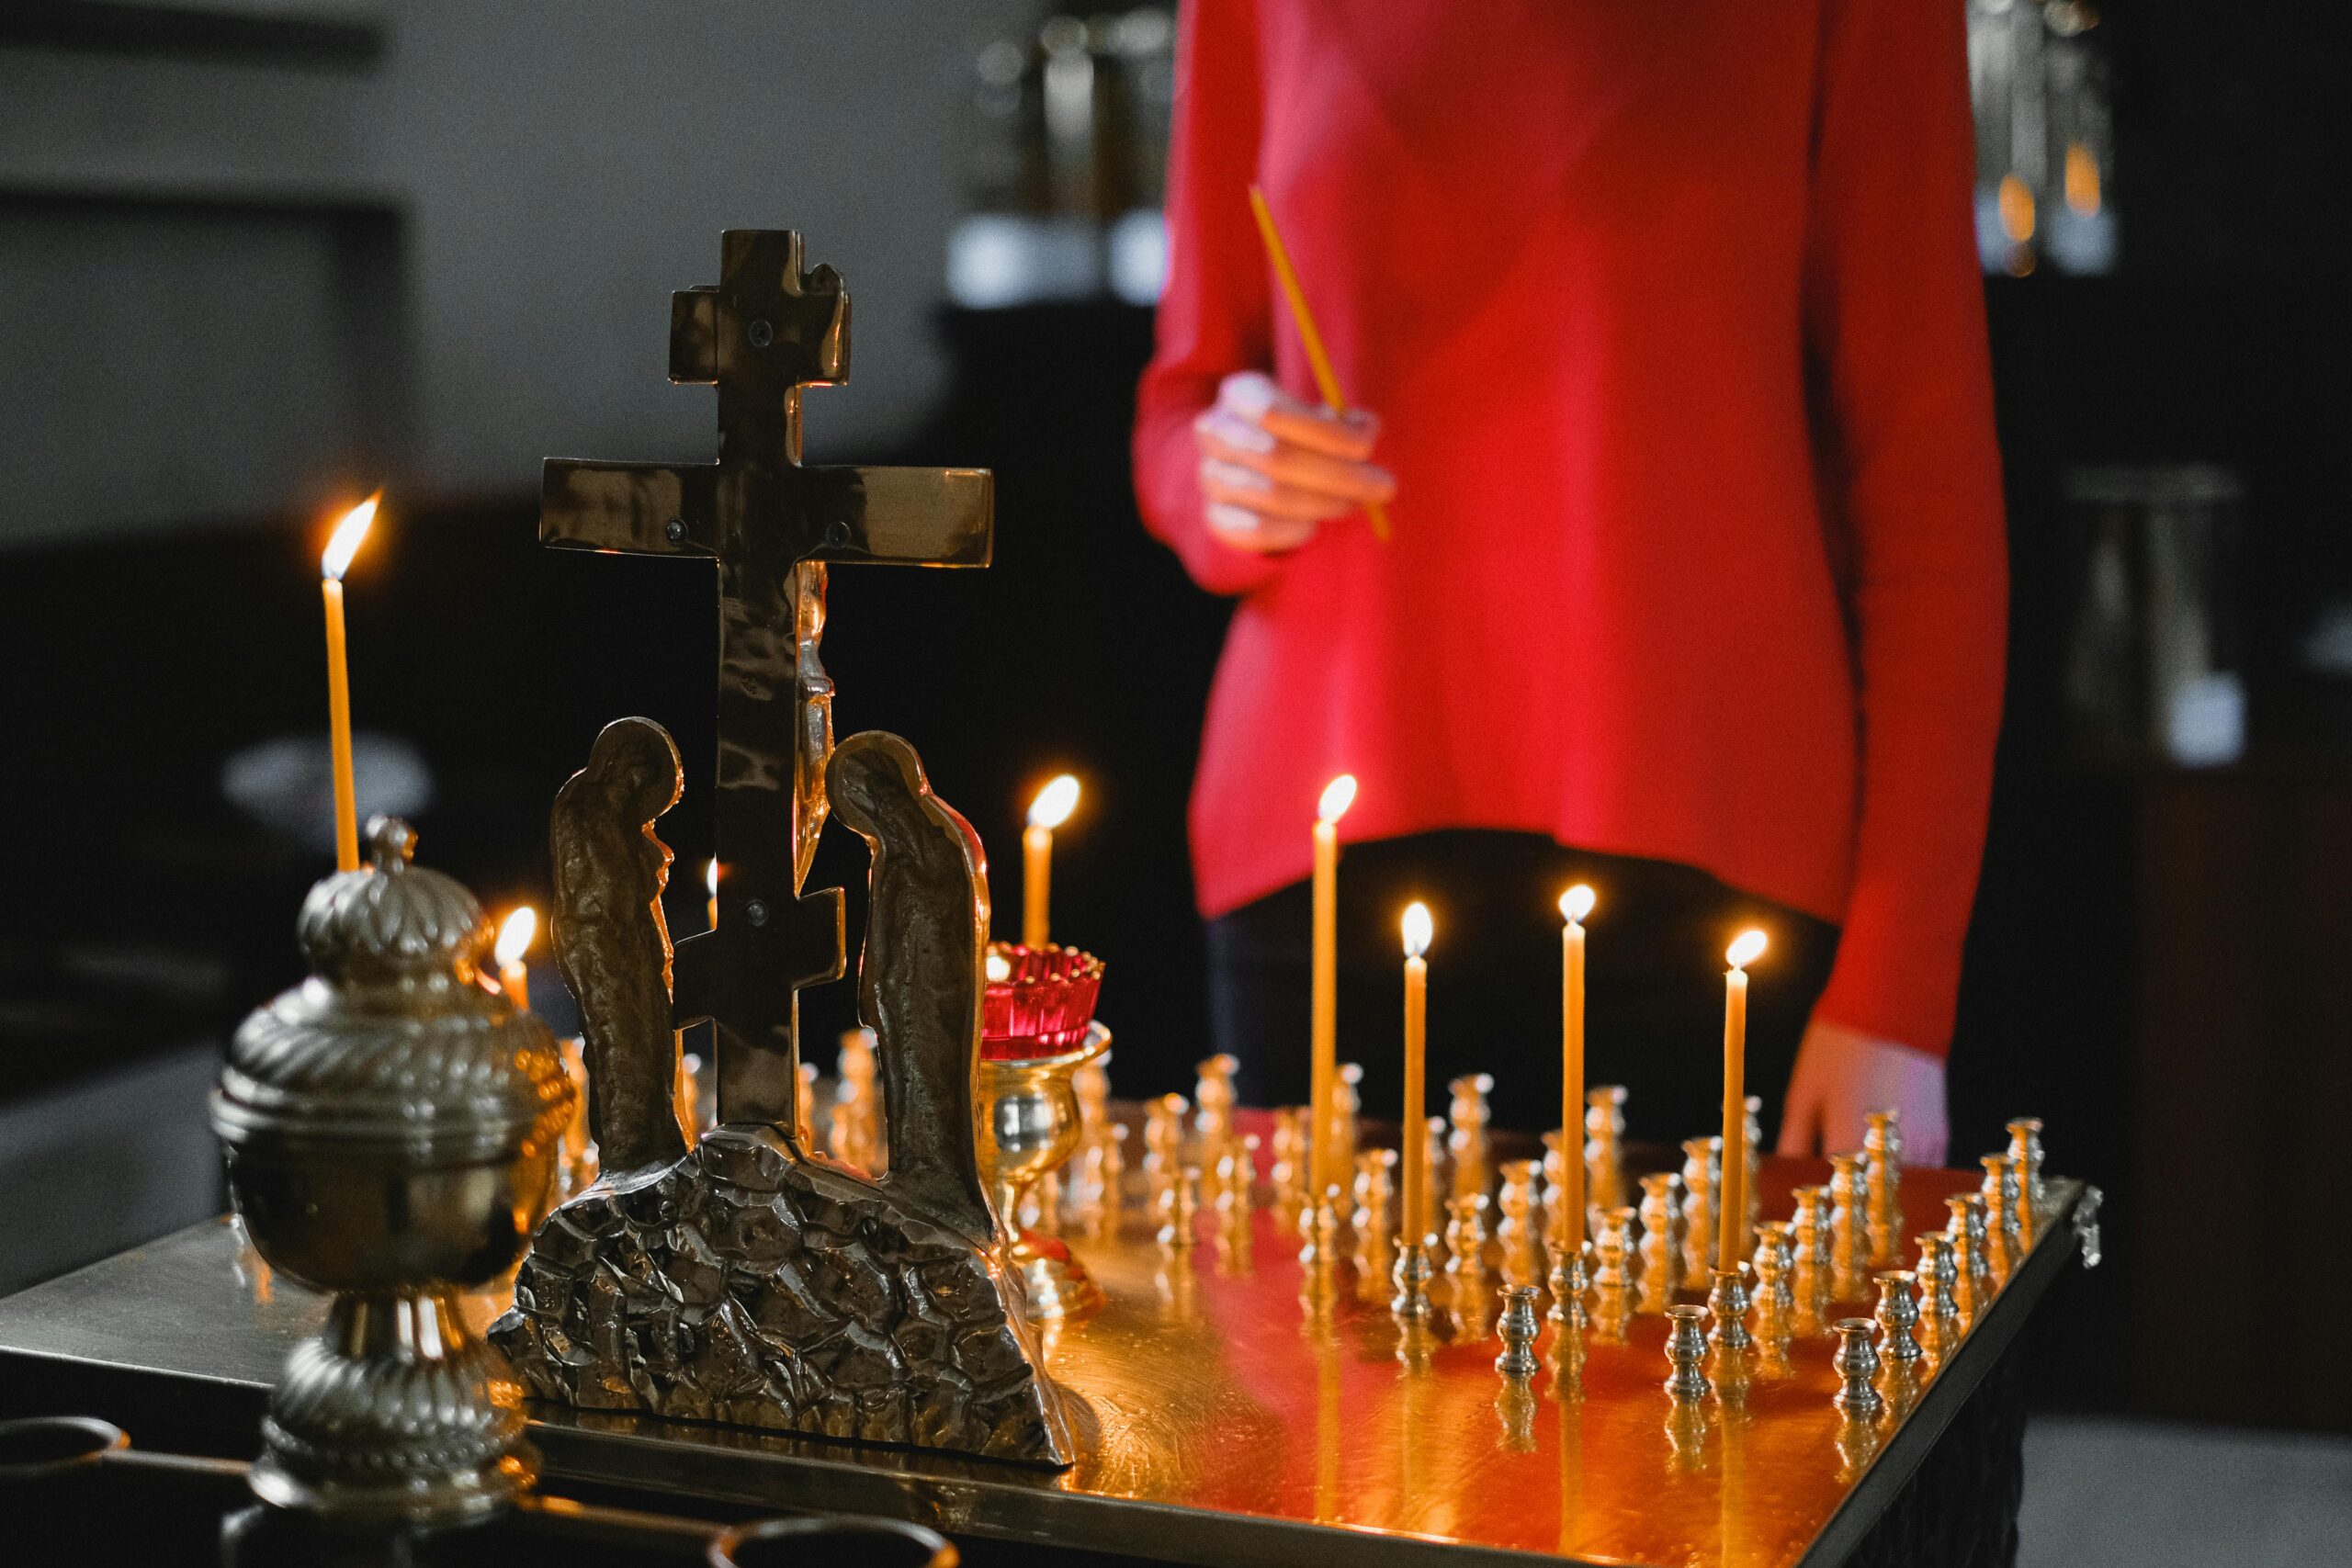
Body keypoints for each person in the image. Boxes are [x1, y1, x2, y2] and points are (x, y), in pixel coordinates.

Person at [1132, 1, 2007, 1165]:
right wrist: (1223, 475)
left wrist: (1898, 993)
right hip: (1319, 855)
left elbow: (1927, 485)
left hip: (1716, 872)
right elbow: (1179, 409)